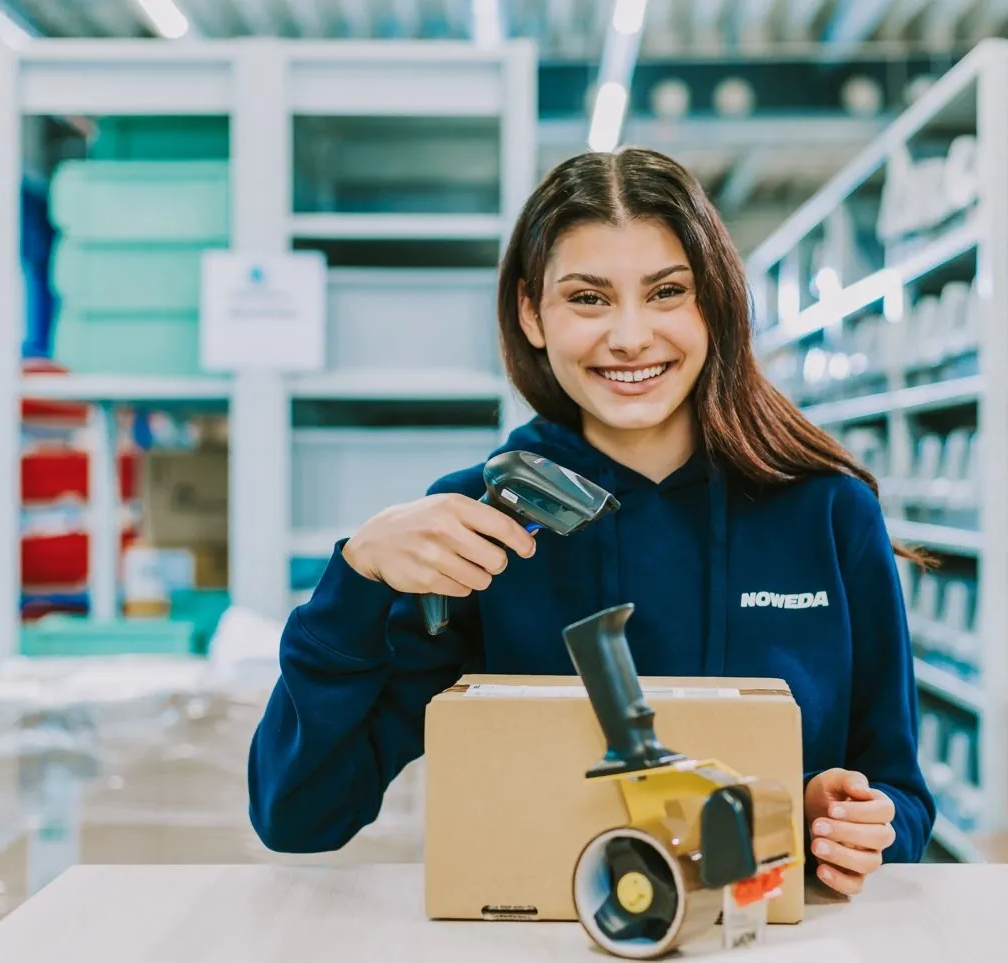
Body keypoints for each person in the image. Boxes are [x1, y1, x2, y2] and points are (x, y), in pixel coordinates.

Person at [249, 146, 936, 895]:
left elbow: (900, 797)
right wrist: (357, 577)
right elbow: (298, 813)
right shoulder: (480, 526)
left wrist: (849, 824)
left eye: (667, 292)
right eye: (588, 298)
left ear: (714, 303)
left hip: (758, 935)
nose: (632, 336)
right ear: (530, 313)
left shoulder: (828, 511)